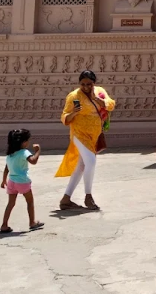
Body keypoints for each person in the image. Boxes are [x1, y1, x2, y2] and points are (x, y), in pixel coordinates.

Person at [55, 70, 116, 211]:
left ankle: (66, 199)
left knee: (81, 166)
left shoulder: (99, 91)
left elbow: (111, 105)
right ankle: (88, 196)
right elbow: (64, 117)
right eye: (83, 84)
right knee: (91, 162)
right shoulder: (73, 96)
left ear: (94, 83)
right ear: (79, 84)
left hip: (94, 135)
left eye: (89, 84)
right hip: (79, 134)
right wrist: (74, 112)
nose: (86, 87)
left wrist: (98, 100)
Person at [0, 129, 44, 233]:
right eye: (27, 140)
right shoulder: (24, 152)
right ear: (23, 142)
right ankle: (32, 222)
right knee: (30, 202)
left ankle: (4, 225)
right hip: (22, 182)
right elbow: (33, 161)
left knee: (10, 203)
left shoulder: (10, 154)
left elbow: (7, 168)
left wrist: (3, 180)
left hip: (11, 182)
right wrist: (38, 151)